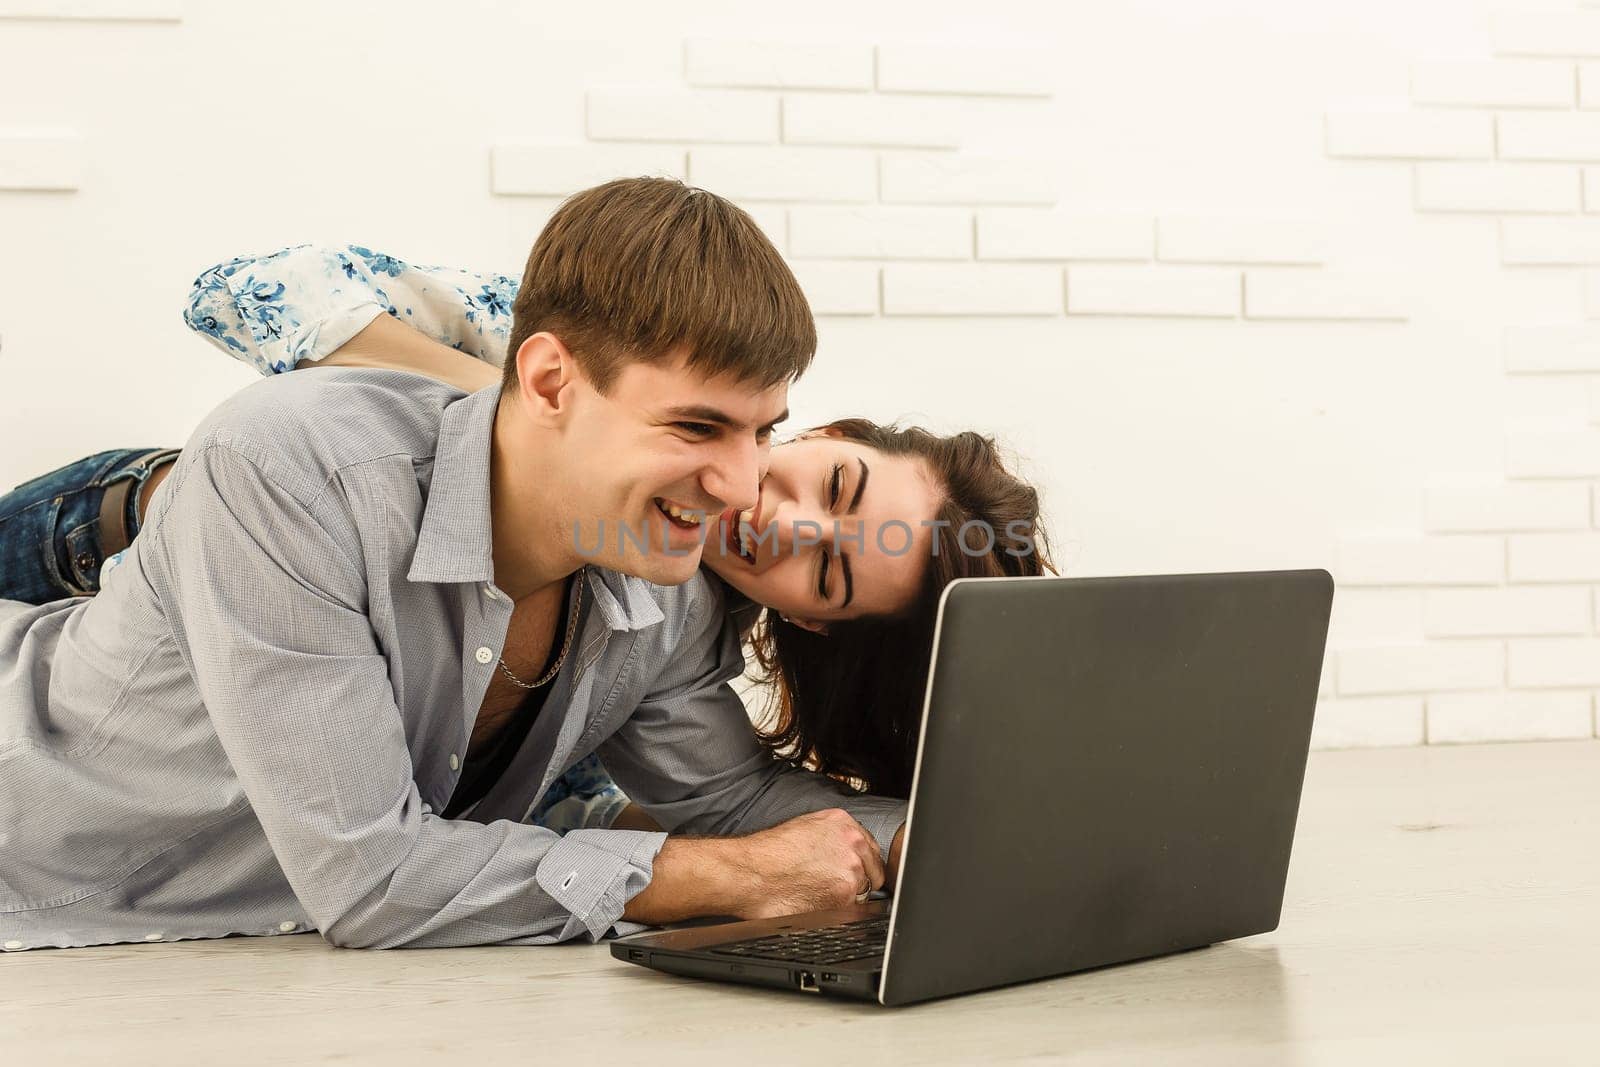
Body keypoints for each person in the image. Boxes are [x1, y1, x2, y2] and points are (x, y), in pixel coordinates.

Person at [0, 179, 1050, 953]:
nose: (745, 491)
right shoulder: (291, 459)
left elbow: (727, 795)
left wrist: (944, 836)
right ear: (547, 378)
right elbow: (371, 878)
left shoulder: (671, 579)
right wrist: (709, 878)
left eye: (755, 431)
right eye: (696, 425)